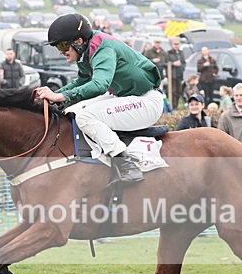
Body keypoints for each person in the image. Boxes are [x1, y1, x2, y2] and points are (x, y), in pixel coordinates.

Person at [35, 13, 163, 186]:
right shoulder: (87, 50)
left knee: (85, 117)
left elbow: (99, 85)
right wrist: (55, 96)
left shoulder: (102, 48)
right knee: (72, 111)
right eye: (57, 46)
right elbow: (82, 82)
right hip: (126, 95)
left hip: (146, 101)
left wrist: (60, 96)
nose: (60, 51)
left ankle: (126, 165)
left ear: (78, 41)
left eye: (63, 45)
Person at [166, 38, 186, 109]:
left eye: (177, 44)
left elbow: (184, 62)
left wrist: (182, 67)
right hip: (172, 75)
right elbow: (166, 63)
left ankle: (176, 106)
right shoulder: (169, 52)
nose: (176, 46)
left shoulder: (181, 52)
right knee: (172, 91)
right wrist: (173, 63)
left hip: (179, 74)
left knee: (179, 91)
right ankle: (172, 106)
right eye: (175, 44)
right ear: (172, 45)